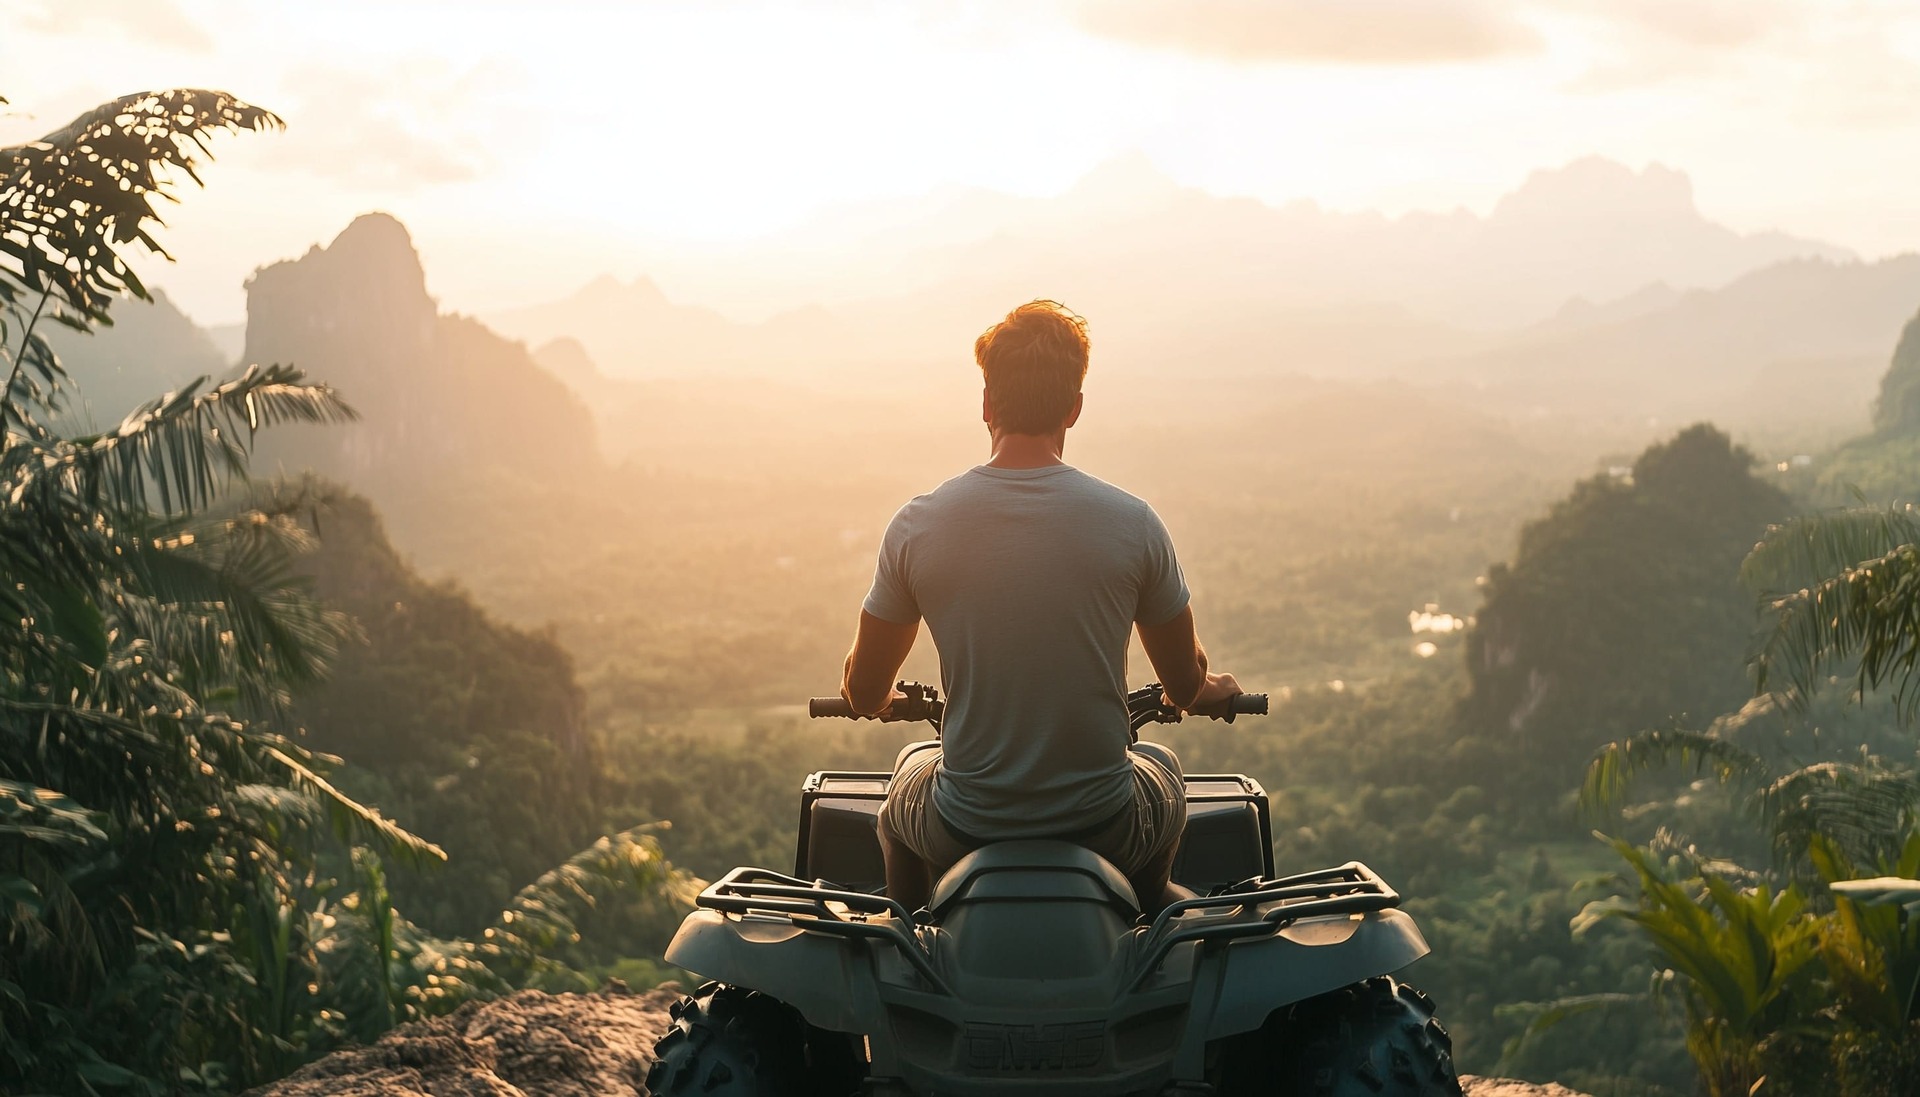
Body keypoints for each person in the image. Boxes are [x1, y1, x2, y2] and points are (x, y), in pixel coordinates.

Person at [839, 299, 1240, 912]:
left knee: (899, 803)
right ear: (1074, 408)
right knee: (1164, 769)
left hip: (967, 823)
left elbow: (865, 693)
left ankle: (913, 942)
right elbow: (1183, 685)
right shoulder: (1133, 523)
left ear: (987, 404)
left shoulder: (917, 526)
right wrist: (1212, 685)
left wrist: (878, 694)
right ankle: (1148, 910)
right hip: (1102, 820)